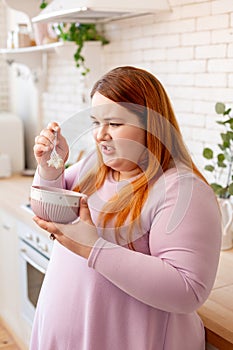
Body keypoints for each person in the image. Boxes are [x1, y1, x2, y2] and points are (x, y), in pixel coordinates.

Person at [30, 66, 221, 350]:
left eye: (115, 124)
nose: (100, 135)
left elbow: (187, 290)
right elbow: (46, 212)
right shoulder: (91, 169)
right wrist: (49, 168)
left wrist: (93, 248)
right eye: (96, 122)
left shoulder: (183, 191)